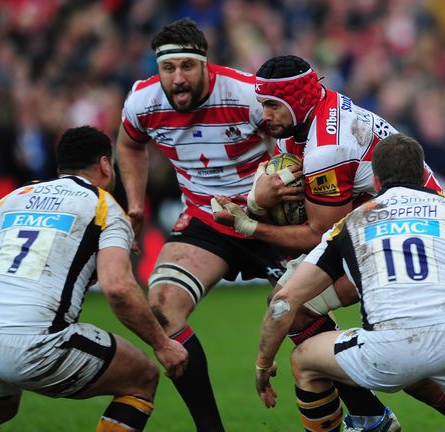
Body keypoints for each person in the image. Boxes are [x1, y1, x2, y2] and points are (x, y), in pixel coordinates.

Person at [115, 18, 396, 431]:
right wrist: (135, 204)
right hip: (205, 219)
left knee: (295, 311)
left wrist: (267, 192)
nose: (177, 78)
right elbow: (129, 143)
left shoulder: (249, 94)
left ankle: (368, 413)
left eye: (187, 67)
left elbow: (300, 135)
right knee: (162, 308)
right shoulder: (142, 101)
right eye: (168, 68)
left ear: (205, 65)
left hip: (270, 215)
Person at [213, 54, 445, 431]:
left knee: (294, 307)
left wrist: (248, 225)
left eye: (271, 104)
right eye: (261, 103)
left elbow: (321, 236)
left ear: (297, 99)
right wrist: (253, 203)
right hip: (417, 233)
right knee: (411, 368)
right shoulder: (318, 116)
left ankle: (372, 417)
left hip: (416, 238)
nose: (263, 114)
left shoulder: (327, 148)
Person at [253, 133, 445, 432]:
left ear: (376, 180)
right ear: (422, 173)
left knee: (304, 360)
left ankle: (368, 418)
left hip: (385, 352)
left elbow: (284, 301)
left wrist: (264, 363)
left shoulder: (350, 224)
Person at [0, 126, 188, 432]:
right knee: (142, 378)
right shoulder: (102, 206)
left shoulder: (15, 197)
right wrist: (162, 345)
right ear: (106, 165)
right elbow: (118, 289)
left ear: (60, 167)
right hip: (35, 339)